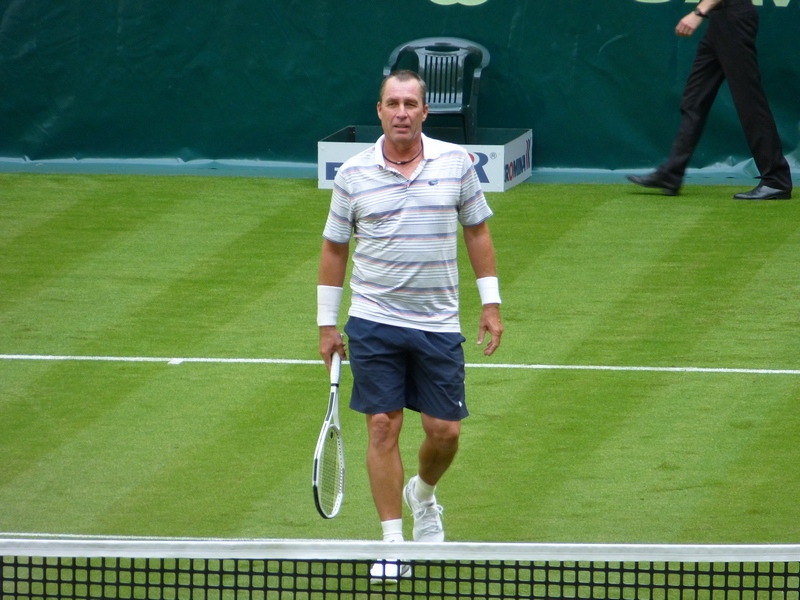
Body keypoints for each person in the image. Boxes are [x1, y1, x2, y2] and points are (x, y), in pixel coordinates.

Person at [316, 70, 503, 582]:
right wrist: (326, 326)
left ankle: (422, 494)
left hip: (438, 324)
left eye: (410, 104)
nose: (401, 112)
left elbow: (477, 230)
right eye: (392, 103)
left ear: (425, 112)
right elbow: (335, 249)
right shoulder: (352, 174)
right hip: (374, 320)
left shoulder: (456, 163)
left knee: (444, 433)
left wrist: (491, 305)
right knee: (382, 426)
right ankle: (393, 543)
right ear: (380, 110)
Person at [627, 0, 792, 200]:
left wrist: (699, 12)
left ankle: (776, 179)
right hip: (720, 21)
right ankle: (671, 173)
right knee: (694, 100)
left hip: (734, 18)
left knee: (749, 102)